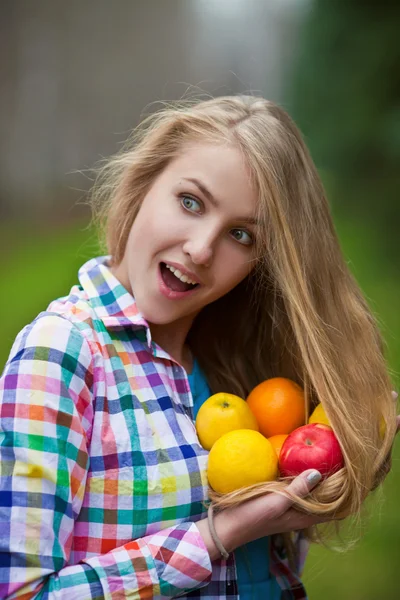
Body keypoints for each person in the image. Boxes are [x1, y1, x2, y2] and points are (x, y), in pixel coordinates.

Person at [0, 95, 398, 600]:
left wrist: (332, 477)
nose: (201, 249)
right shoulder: (62, 353)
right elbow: (20, 591)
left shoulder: (236, 362)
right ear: (145, 184)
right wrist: (217, 536)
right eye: (190, 202)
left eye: (241, 235)